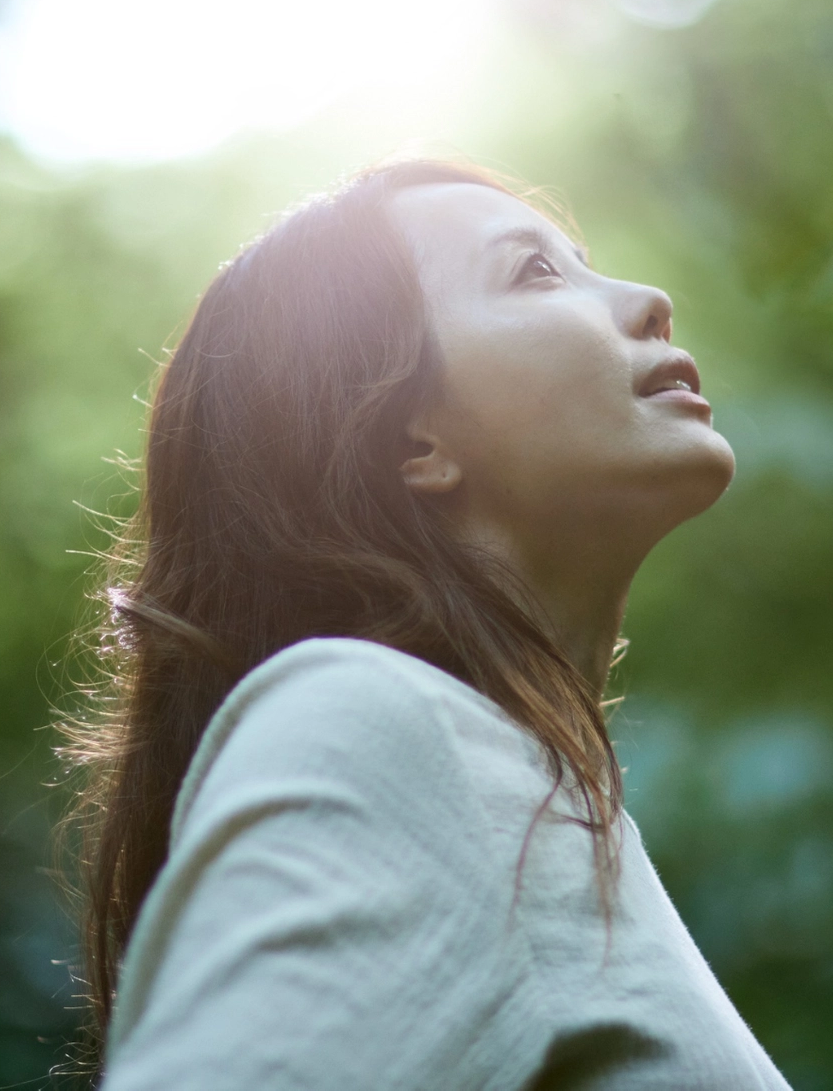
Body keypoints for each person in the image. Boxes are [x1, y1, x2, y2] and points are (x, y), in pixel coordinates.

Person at [64, 160, 792, 1089]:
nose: (650, 300)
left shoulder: (535, 803)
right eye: (533, 272)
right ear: (414, 440)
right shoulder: (376, 728)